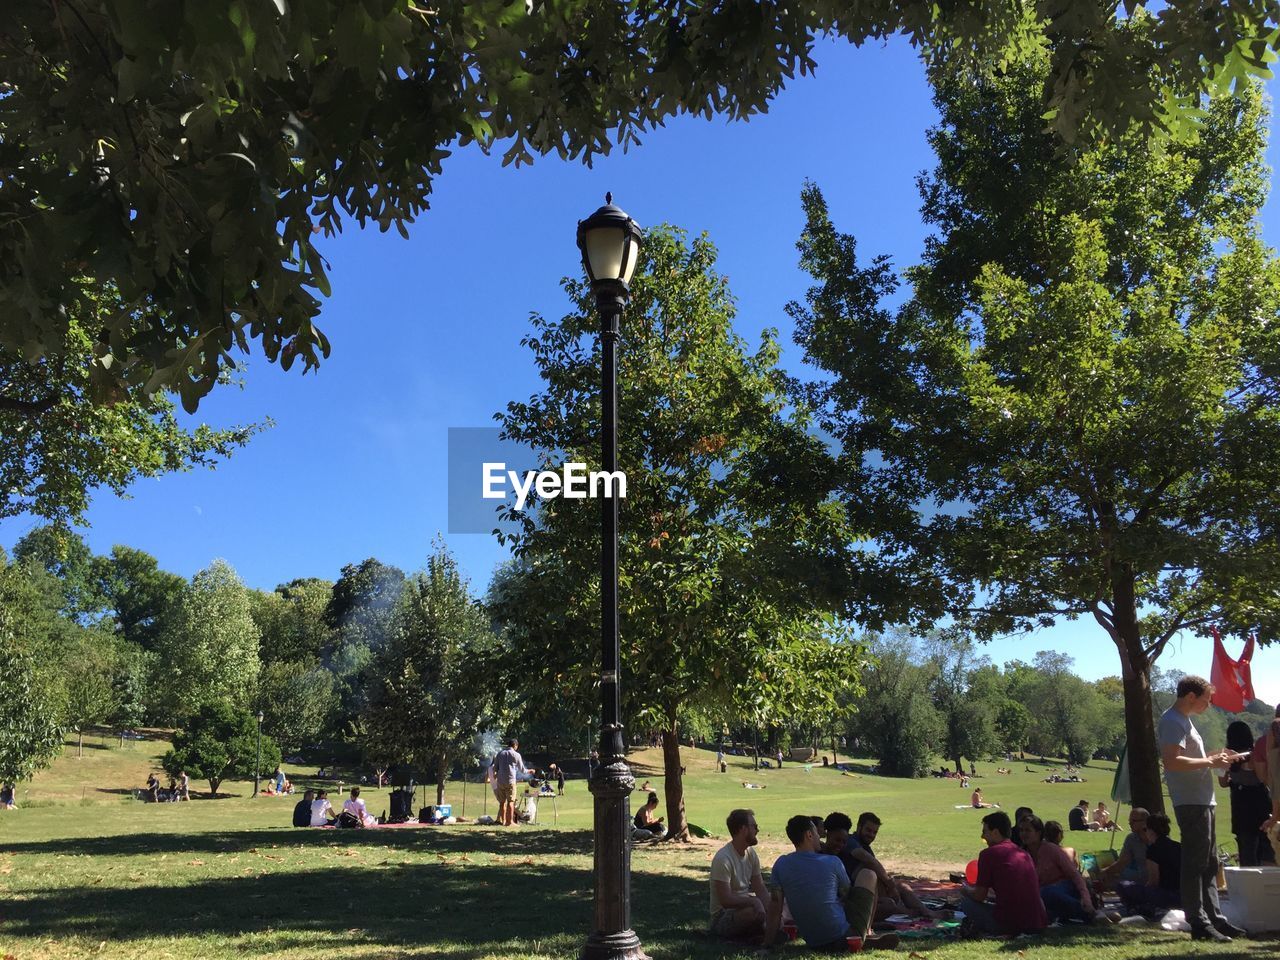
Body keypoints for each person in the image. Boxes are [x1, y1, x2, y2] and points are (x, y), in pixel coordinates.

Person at [1158, 674, 1249, 942]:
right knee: (1195, 863)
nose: (1208, 705)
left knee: (1209, 863)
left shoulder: (1184, 721)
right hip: (1190, 801)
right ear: (1191, 697)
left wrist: (1214, 758)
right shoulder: (1172, 721)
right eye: (1206, 700)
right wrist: (1209, 763)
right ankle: (1198, 923)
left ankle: (1215, 919)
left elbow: (1189, 759)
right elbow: (1172, 762)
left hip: (1202, 798)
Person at [765, 815, 896, 951]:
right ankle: (862, 937)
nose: (819, 836)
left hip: (813, 942)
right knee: (868, 874)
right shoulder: (832, 861)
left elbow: (775, 906)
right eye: (816, 832)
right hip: (842, 935)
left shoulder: (781, 864)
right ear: (809, 835)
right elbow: (848, 895)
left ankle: (861, 939)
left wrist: (767, 943)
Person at [827, 811, 939, 920]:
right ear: (859, 827)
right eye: (868, 830)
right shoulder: (850, 841)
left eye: (874, 832)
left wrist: (890, 886)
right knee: (886, 900)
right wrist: (890, 884)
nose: (871, 835)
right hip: (855, 893)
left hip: (868, 891)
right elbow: (869, 860)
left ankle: (926, 912)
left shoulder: (864, 846)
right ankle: (906, 912)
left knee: (903, 887)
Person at [960, 810, 1048, 937]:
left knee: (966, 903)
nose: (982, 837)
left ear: (995, 832)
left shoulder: (988, 854)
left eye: (985, 832)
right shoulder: (1023, 853)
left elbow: (979, 895)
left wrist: (965, 889)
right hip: (1037, 923)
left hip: (1011, 925)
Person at [1018, 815, 1095, 923]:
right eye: (1021, 830)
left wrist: (1086, 898)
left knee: (1047, 892)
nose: (1023, 834)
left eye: (1027, 830)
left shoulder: (1051, 849)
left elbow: (1075, 875)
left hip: (1067, 889)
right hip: (1043, 896)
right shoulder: (1021, 854)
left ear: (1038, 833)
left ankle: (1088, 913)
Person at [708, 808, 769, 940]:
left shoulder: (751, 854)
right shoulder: (723, 859)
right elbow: (725, 900)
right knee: (753, 912)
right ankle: (766, 932)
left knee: (782, 903)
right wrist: (754, 902)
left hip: (744, 908)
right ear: (743, 829)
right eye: (754, 826)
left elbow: (760, 889)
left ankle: (768, 930)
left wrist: (774, 909)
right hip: (722, 917)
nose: (757, 830)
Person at [1220, 720, 1274, 866]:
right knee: (1266, 846)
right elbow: (1262, 778)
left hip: (1240, 804)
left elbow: (1223, 783)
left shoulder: (1228, 757)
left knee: (1246, 849)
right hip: (1259, 801)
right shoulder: (1253, 755)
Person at [1117, 812, 1182, 919]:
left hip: (1165, 895)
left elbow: (1153, 881)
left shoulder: (1153, 850)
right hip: (1182, 895)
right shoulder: (1178, 846)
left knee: (1123, 885)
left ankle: (1139, 908)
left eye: (1145, 829)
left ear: (1151, 830)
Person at [1101, 807, 1150, 888]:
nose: (1130, 823)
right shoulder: (1131, 838)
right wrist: (1107, 871)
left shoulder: (1157, 838)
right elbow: (1122, 862)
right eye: (1129, 821)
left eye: (1133, 821)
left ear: (1145, 822)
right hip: (1138, 876)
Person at [493, 738, 531, 827]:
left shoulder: (500, 753)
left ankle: (503, 821)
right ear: (515, 745)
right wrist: (530, 771)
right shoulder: (516, 754)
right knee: (511, 801)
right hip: (510, 781)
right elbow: (522, 770)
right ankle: (510, 822)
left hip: (500, 781)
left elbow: (495, 768)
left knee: (502, 802)